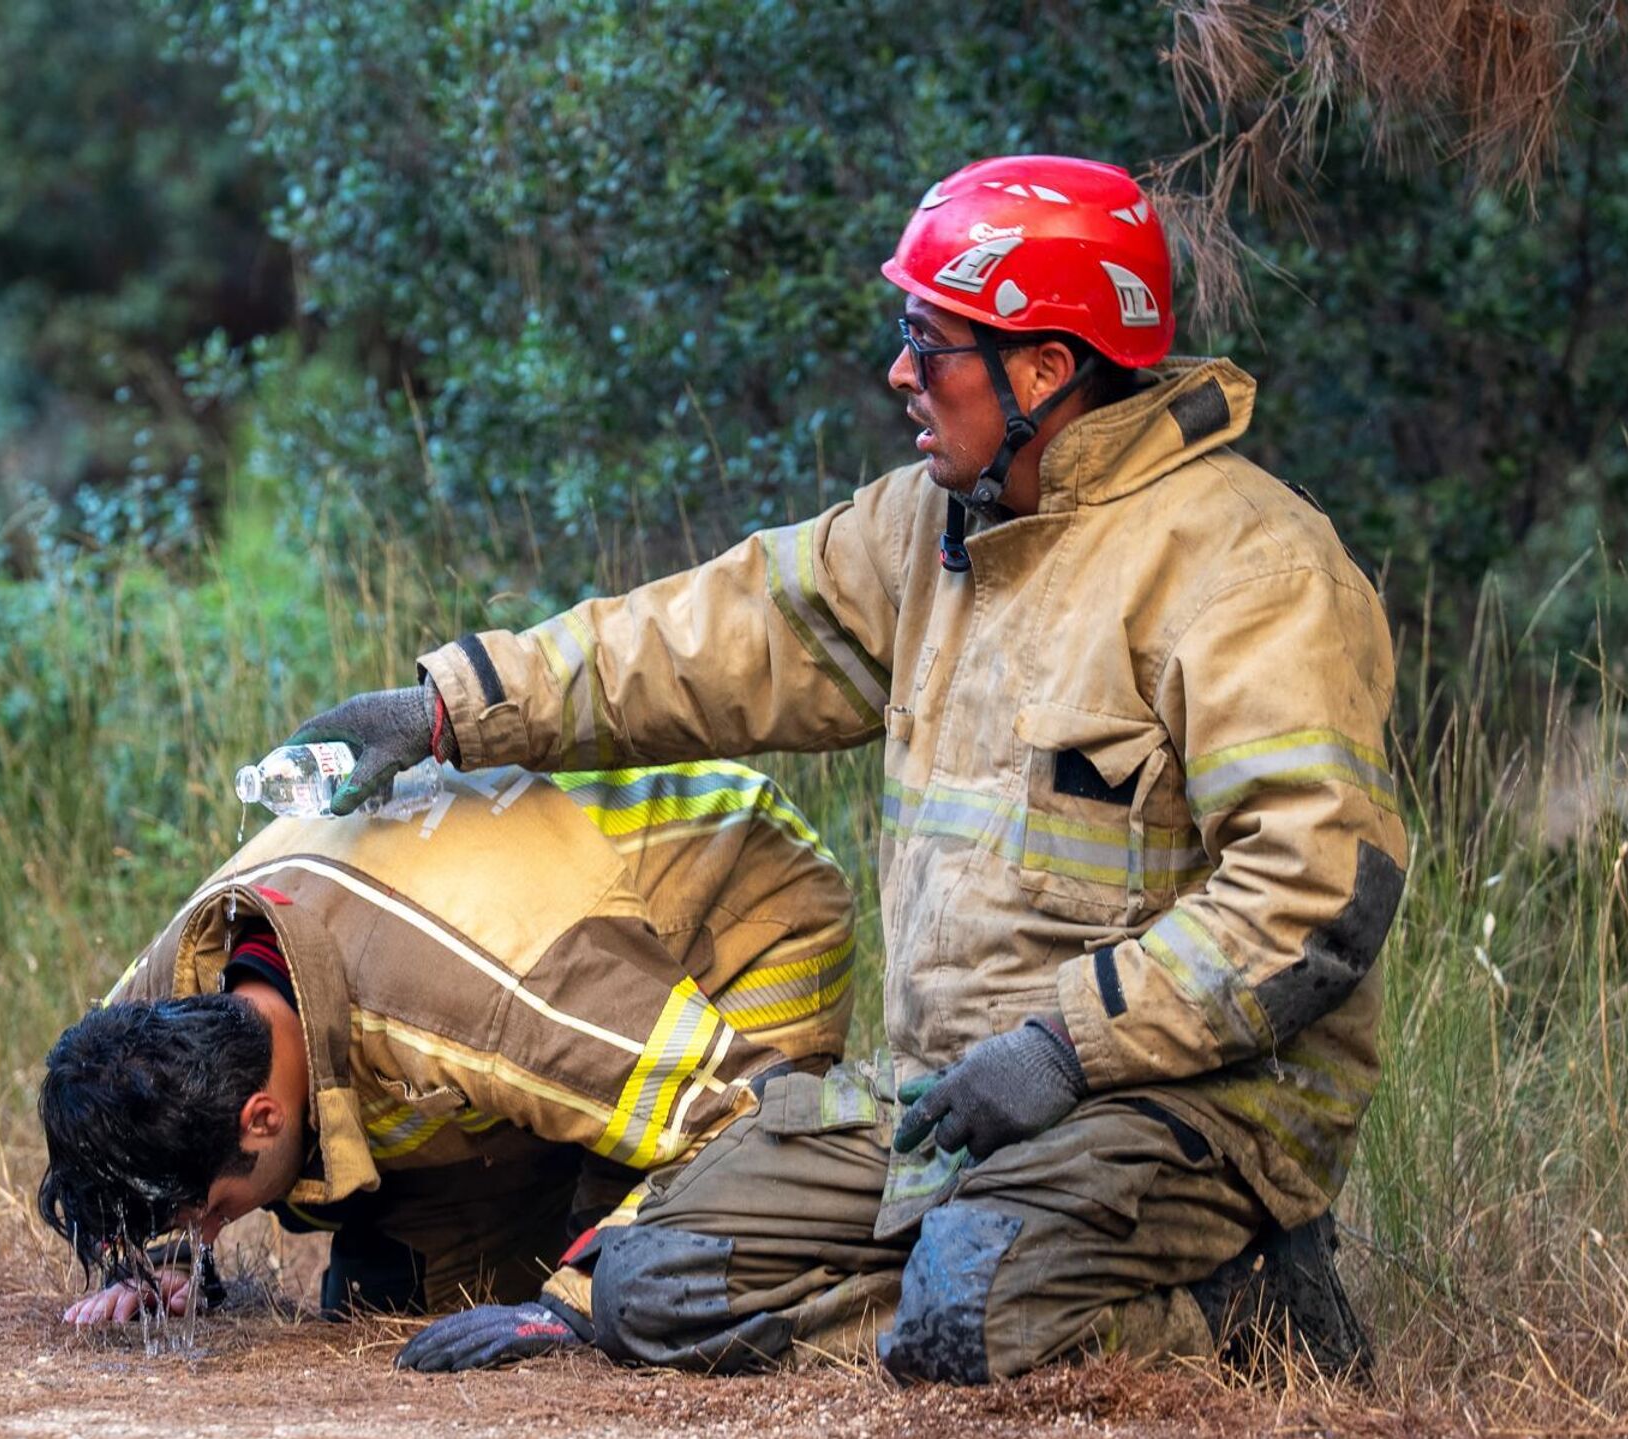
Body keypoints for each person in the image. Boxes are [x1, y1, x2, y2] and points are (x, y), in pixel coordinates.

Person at [291, 154, 1407, 1383]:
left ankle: (1241, 1308)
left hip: (1195, 1108)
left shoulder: (1256, 573)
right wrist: (456, 707)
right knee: (644, 1283)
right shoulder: (926, 527)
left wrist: (1064, 1048)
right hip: (952, 1099)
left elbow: (1312, 894)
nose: (899, 374)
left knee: (965, 1313)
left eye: (930, 344)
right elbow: (709, 639)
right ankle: (956, 1277)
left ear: (1046, 367)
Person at [38, 757, 856, 1362]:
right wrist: (158, 1253)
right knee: (391, 1304)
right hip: (532, 991)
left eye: (214, 1210)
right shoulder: (161, 1006)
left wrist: (575, 1299)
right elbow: (119, 1131)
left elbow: (741, 1115)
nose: (215, 1231)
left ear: (262, 1114)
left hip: (738, 912)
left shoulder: (473, 1004)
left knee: (643, 1288)